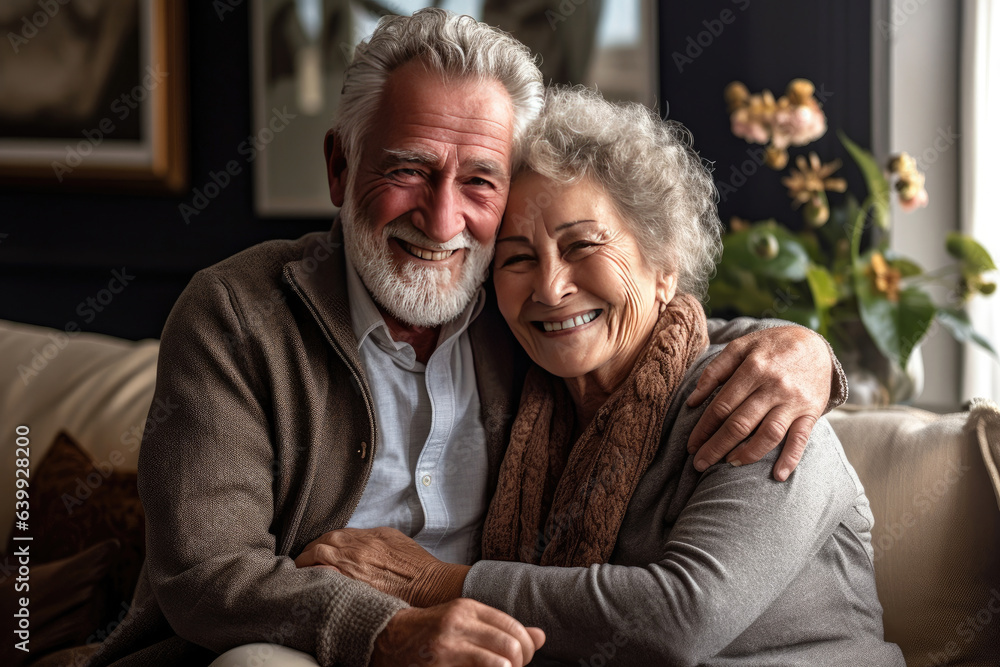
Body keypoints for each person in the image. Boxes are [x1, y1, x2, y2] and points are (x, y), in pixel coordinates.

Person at [60, 10, 846, 667]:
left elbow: (639, 331)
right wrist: (387, 629)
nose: (442, 221)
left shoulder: (525, 325)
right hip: (303, 645)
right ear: (340, 168)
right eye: (408, 168)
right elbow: (206, 572)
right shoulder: (238, 315)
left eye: (479, 180)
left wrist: (806, 351)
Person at [295, 86, 904, 665]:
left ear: (665, 266)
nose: (551, 287)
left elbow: (680, 619)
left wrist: (438, 582)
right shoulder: (525, 407)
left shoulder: (761, 403)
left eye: (583, 246)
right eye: (518, 258)